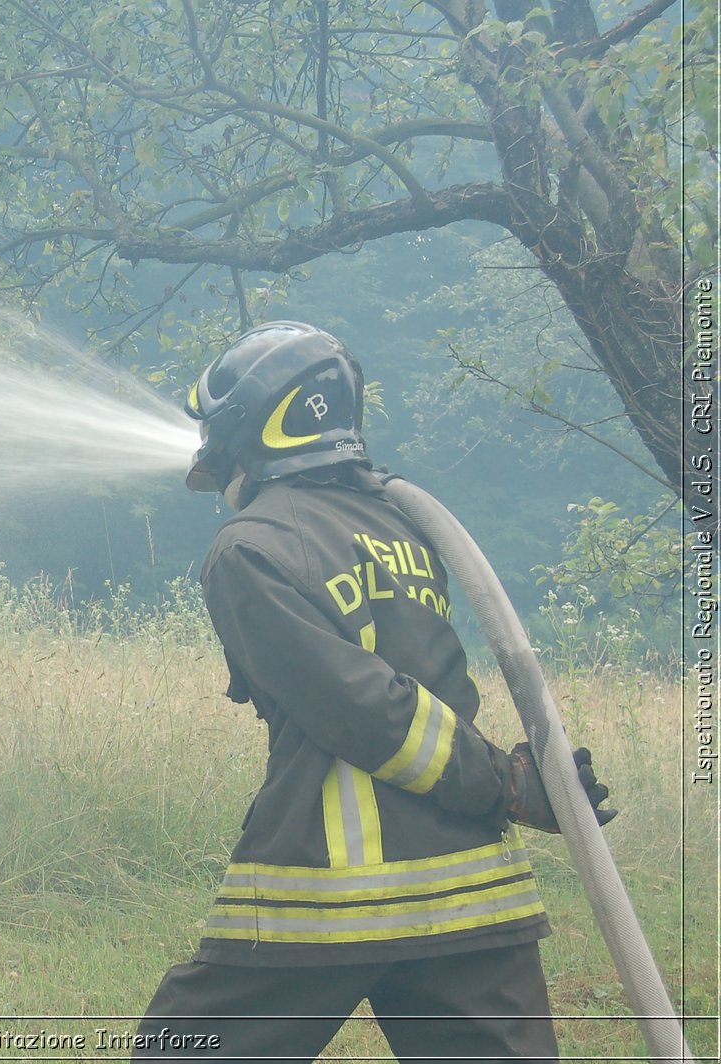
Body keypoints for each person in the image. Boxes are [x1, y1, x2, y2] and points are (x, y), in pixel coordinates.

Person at [132, 322, 617, 1062]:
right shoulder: (403, 528)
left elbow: (366, 708)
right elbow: (412, 687)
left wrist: (508, 783)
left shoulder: (250, 545)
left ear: (255, 426)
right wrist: (508, 783)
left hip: (333, 893)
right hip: (470, 891)